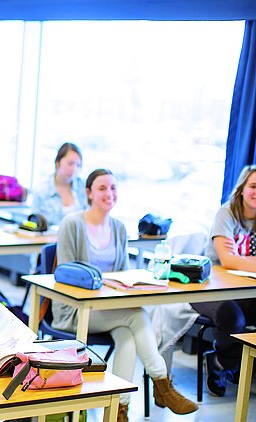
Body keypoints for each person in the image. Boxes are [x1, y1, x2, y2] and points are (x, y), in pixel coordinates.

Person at [53, 168, 197, 420]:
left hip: (111, 310)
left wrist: (125, 286)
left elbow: (123, 274)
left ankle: (120, 410)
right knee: (137, 316)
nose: (109, 194)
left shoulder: (119, 228)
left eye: (113, 188)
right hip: (76, 309)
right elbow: (66, 274)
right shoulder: (72, 224)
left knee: (129, 339)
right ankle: (161, 383)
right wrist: (102, 290)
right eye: (102, 188)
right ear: (89, 193)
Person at [194, 164, 256, 397]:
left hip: (244, 289)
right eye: (253, 186)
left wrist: (242, 259)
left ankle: (239, 363)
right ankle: (221, 364)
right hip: (211, 289)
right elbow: (227, 260)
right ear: (242, 189)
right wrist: (242, 259)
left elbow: (235, 259)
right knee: (233, 316)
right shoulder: (227, 213)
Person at [31, 142, 88, 226]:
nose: (74, 169)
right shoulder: (42, 191)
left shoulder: (84, 187)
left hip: (79, 238)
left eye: (78, 165)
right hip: (51, 238)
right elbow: (34, 225)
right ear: (58, 163)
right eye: (70, 164)